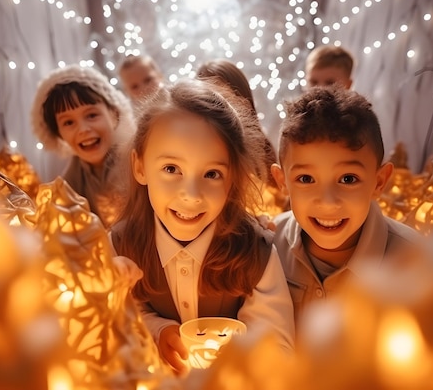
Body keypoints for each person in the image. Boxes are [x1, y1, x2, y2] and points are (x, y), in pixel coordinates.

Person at [110, 79, 296, 374]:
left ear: (232, 177)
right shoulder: (120, 245)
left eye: (211, 174)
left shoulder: (255, 251)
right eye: (171, 169)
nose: (191, 194)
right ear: (140, 167)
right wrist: (157, 330)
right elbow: (118, 317)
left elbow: (277, 343)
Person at [270, 85, 421, 327]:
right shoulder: (266, 245)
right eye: (306, 179)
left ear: (379, 181)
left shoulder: (415, 264)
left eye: (348, 179)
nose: (328, 202)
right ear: (282, 182)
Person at [30, 64, 135, 229]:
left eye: (92, 115)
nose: (83, 130)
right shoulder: (71, 182)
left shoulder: (134, 160)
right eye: (68, 122)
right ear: (58, 133)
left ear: (114, 114)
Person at [196, 59, 289, 218]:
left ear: (243, 100)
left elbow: (276, 204)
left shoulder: (259, 149)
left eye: (227, 98)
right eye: (210, 100)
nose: (220, 110)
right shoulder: (194, 147)